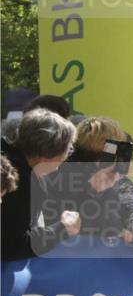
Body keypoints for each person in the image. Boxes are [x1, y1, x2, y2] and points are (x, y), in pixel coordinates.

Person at [45, 117, 133, 248]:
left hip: (105, 264)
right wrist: (91, 190)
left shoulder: (121, 182)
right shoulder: (56, 175)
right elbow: (52, 223)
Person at [0, 108, 81, 259]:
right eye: (67, 150)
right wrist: (63, 229)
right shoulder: (15, 182)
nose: (66, 158)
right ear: (46, 156)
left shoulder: (13, 162)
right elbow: (13, 245)